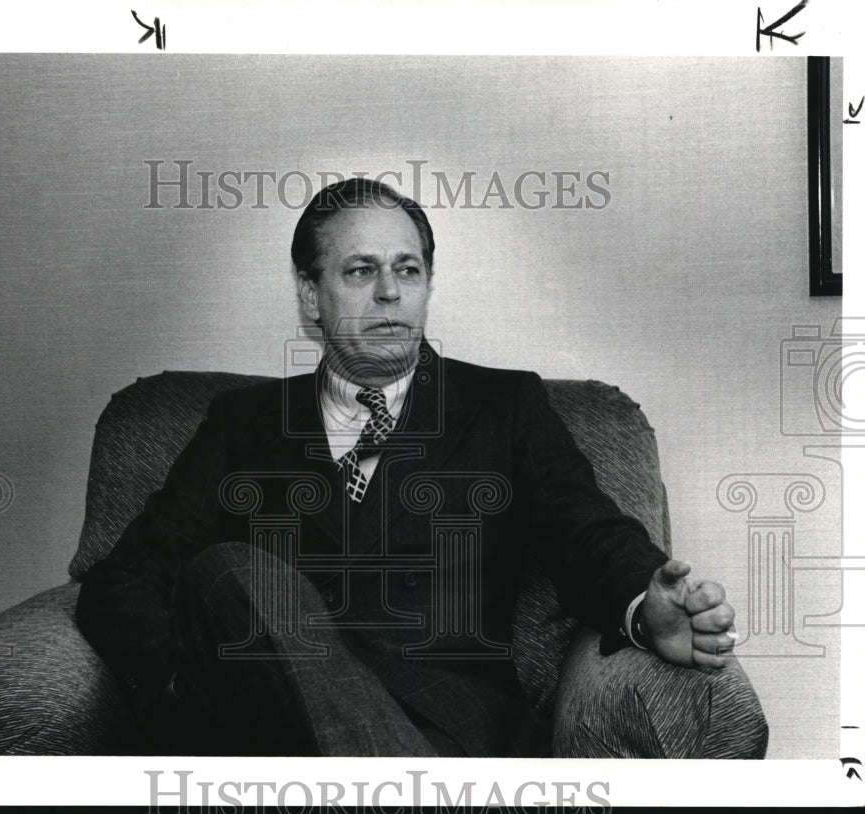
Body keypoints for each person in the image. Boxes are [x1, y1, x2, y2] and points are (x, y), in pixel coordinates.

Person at [75, 177, 738, 757]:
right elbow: (125, 579)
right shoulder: (241, 423)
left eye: (408, 269)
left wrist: (644, 607)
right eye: (361, 271)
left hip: (446, 732)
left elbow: (585, 531)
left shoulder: (502, 407)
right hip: (267, 734)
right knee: (231, 574)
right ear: (311, 294)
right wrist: (182, 692)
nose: (390, 293)